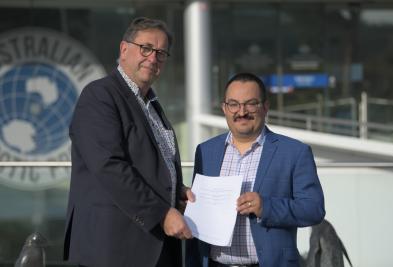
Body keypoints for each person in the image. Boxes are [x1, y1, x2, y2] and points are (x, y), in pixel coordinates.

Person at [63, 17, 193, 267]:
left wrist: (176, 192)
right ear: (124, 49)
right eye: (146, 48)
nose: (153, 58)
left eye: (161, 53)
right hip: (114, 249)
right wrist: (162, 213)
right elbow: (109, 166)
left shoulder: (151, 104)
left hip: (155, 245)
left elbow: (149, 163)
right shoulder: (100, 95)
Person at [186, 73, 325, 267]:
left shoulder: (294, 152)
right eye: (233, 104)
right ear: (224, 108)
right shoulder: (205, 151)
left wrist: (266, 207)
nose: (241, 112)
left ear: (265, 107)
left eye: (251, 103)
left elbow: (314, 209)